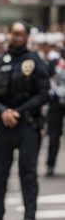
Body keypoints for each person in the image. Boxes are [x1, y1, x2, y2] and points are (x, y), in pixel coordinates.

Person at [0, 22, 49, 220]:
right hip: (3, 125)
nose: (15, 37)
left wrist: (19, 111)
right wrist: (3, 112)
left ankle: (29, 217)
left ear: (27, 37)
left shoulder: (35, 63)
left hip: (27, 125)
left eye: (20, 34)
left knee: (28, 173)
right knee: (0, 172)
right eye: (13, 33)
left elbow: (43, 94)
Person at [45, 46, 64, 176]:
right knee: (54, 136)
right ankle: (50, 165)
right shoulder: (55, 62)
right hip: (56, 102)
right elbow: (47, 76)